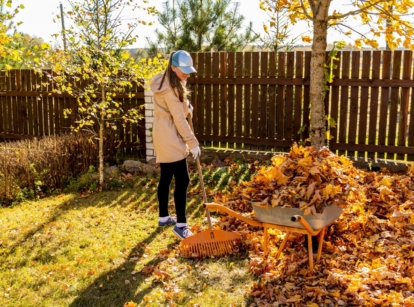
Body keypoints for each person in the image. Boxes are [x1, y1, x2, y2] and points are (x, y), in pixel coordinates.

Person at [150, 50, 201, 240]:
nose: (187, 74)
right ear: (173, 67)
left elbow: (176, 109)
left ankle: (164, 217)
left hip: (162, 132)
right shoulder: (171, 89)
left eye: (188, 70)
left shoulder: (166, 82)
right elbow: (179, 120)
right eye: (183, 70)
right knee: (183, 179)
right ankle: (181, 226)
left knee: (166, 176)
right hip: (170, 135)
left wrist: (186, 107)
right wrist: (192, 143)